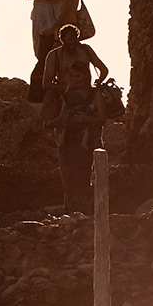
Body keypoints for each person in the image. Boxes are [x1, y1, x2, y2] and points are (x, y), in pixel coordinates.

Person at [41, 24, 109, 210]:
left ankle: (83, 207)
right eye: (67, 38)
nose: (71, 42)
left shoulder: (85, 51)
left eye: (74, 38)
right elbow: (46, 83)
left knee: (84, 169)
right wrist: (68, 91)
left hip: (85, 110)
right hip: (66, 100)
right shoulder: (54, 55)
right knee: (68, 171)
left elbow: (103, 69)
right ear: (62, 39)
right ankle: (70, 208)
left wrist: (94, 86)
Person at [23, 0, 67, 93]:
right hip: (41, 11)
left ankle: (48, 86)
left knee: (56, 48)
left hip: (56, 11)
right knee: (41, 49)